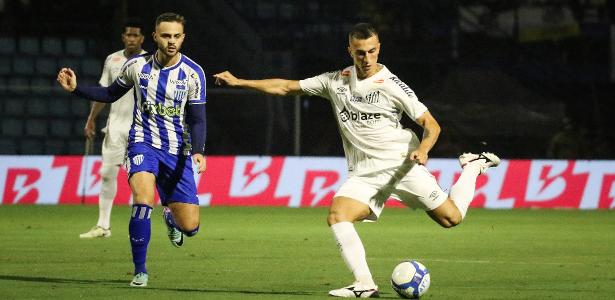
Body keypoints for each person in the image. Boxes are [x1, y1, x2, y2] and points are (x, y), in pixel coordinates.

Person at [213, 23, 500, 298]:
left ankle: (473, 166)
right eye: (360, 52)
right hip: (364, 173)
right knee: (338, 215)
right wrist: (240, 81)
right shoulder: (335, 81)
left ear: (379, 48)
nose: (367, 58)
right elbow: (286, 87)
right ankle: (363, 283)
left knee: (451, 219)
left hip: (401, 166)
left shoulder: (391, 84)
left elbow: (431, 125)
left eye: (372, 51)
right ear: (349, 50)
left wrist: (423, 150)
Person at [57, 12, 207, 288]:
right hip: (142, 142)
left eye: (176, 36)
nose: (171, 41)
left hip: (177, 151)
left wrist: (198, 150)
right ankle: (140, 270)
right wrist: (77, 89)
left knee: (191, 228)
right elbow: (110, 94)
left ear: (183, 38)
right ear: (155, 37)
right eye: (165, 35)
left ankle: (171, 217)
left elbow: (197, 118)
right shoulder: (137, 66)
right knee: (142, 200)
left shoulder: (193, 73)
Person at [79, 19, 146, 239]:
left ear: (142, 39)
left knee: (140, 179)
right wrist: (91, 118)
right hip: (115, 128)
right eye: (129, 35)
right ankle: (103, 226)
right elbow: (103, 92)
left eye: (136, 35)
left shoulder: (149, 62)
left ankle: (139, 226)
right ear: (123, 37)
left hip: (141, 130)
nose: (132, 38)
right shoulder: (112, 59)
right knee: (107, 174)